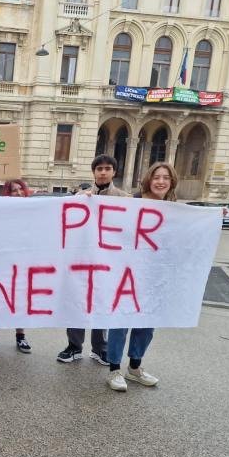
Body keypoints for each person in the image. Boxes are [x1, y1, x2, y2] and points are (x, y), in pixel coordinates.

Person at [107, 162, 177, 392]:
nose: (161, 181)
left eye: (166, 177)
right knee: (121, 321)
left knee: (146, 325)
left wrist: (217, 215)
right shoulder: (132, 202)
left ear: (172, 182)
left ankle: (135, 368)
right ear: (149, 179)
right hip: (127, 274)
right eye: (157, 177)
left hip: (154, 277)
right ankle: (114, 370)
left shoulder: (174, 208)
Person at [57, 154, 128, 366]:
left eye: (108, 168)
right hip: (80, 262)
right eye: (99, 169)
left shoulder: (125, 199)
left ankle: (100, 348)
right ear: (94, 172)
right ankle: (74, 346)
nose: (103, 172)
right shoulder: (80, 197)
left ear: (114, 172)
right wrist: (80, 200)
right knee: (77, 303)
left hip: (109, 264)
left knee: (102, 305)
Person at [0, 179, 34, 355]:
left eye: (21, 189)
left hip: (23, 262)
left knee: (21, 300)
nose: (19, 193)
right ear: (7, 193)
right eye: (14, 190)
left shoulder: (33, 210)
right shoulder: (1, 211)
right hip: (2, 261)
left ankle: (20, 336)